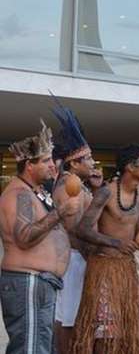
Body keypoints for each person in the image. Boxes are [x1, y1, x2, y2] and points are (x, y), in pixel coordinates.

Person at [72, 144, 139, 354]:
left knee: (131, 327)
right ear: (130, 167)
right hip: (105, 270)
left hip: (128, 268)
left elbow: (135, 224)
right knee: (105, 331)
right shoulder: (106, 193)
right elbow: (82, 229)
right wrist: (116, 242)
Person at [0, 122, 74, 354]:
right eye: (45, 161)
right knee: (29, 349)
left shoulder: (34, 191)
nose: (52, 165)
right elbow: (24, 236)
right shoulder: (19, 194)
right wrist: (60, 212)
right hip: (28, 281)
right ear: (29, 165)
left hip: (40, 283)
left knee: (38, 347)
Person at [50, 104, 96, 354]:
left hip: (78, 259)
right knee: (68, 317)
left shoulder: (75, 184)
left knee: (75, 316)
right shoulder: (69, 186)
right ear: (74, 163)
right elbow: (77, 233)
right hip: (74, 260)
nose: (93, 162)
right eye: (88, 158)